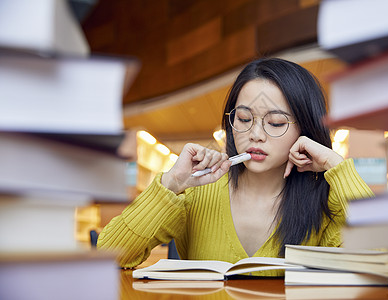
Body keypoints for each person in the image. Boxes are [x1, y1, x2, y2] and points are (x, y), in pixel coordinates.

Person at [97, 58, 373, 276]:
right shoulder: (196, 192)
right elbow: (108, 256)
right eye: (243, 119)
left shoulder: (324, 200)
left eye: (275, 123)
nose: (255, 134)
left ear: (306, 130)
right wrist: (171, 183)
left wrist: (335, 164)